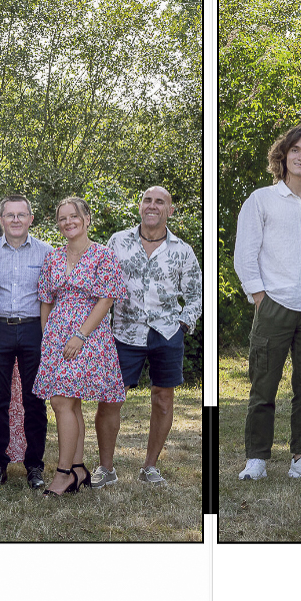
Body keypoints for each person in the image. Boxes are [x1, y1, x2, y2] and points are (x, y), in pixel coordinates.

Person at [234, 125, 301, 481]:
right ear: (284, 155)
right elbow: (245, 254)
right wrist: (259, 296)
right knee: (263, 385)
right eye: (296, 150)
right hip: (274, 303)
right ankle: (257, 459)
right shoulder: (261, 200)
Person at [102, 186, 202, 486]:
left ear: (170, 210)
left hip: (166, 333)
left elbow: (196, 294)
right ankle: (106, 470)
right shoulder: (118, 242)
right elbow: (102, 285)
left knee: (162, 400)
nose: (153, 205)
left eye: (160, 202)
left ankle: (149, 467)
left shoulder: (182, 250)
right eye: (148, 200)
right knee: (111, 400)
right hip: (123, 332)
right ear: (140, 205)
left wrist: (183, 324)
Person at [35, 197, 129, 496]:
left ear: (87, 219)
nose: (68, 222)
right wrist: (46, 338)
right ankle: (77, 468)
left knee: (62, 401)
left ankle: (62, 474)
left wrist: (81, 335)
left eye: (74, 216)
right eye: (62, 218)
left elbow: (106, 299)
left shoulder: (103, 255)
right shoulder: (53, 257)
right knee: (67, 402)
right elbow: (46, 300)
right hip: (57, 336)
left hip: (88, 335)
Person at [0, 194, 51, 488]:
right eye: (10, 215)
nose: (16, 220)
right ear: (1, 219)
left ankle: (35, 466)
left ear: (31, 219)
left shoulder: (48, 253)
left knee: (35, 400)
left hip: (34, 329)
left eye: (22, 215)